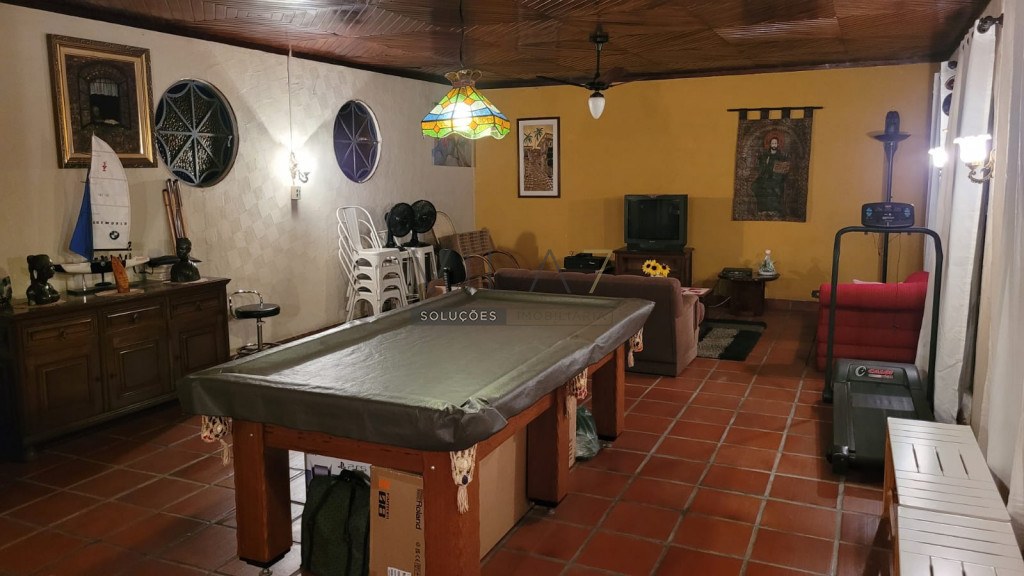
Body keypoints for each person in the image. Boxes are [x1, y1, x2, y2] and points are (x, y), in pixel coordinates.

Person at [752, 132, 790, 216]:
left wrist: (779, 175)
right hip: (765, 176)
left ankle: (773, 210)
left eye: (775, 143)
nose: (774, 145)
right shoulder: (766, 155)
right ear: (770, 144)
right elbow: (762, 167)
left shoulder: (781, 156)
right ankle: (762, 209)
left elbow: (784, 170)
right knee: (755, 186)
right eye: (772, 143)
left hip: (776, 178)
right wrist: (763, 161)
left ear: (778, 144)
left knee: (770, 188)